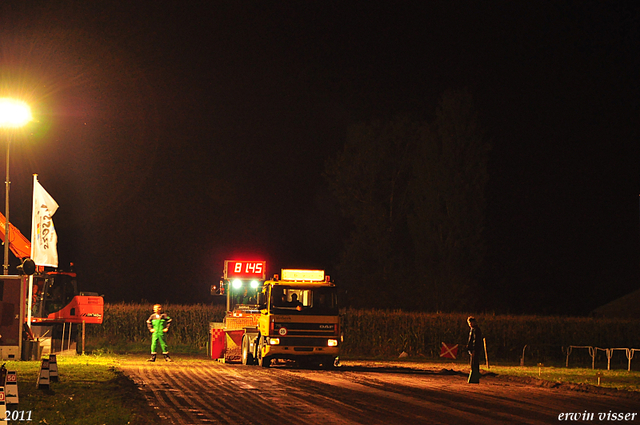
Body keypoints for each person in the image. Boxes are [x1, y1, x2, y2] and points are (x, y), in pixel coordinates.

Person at [466, 316, 483, 383]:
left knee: (474, 363)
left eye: (470, 323)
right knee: (474, 363)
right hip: (474, 349)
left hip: (475, 349)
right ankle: (475, 377)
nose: (469, 324)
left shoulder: (476, 330)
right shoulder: (474, 329)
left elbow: (475, 341)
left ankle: (474, 377)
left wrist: (473, 349)